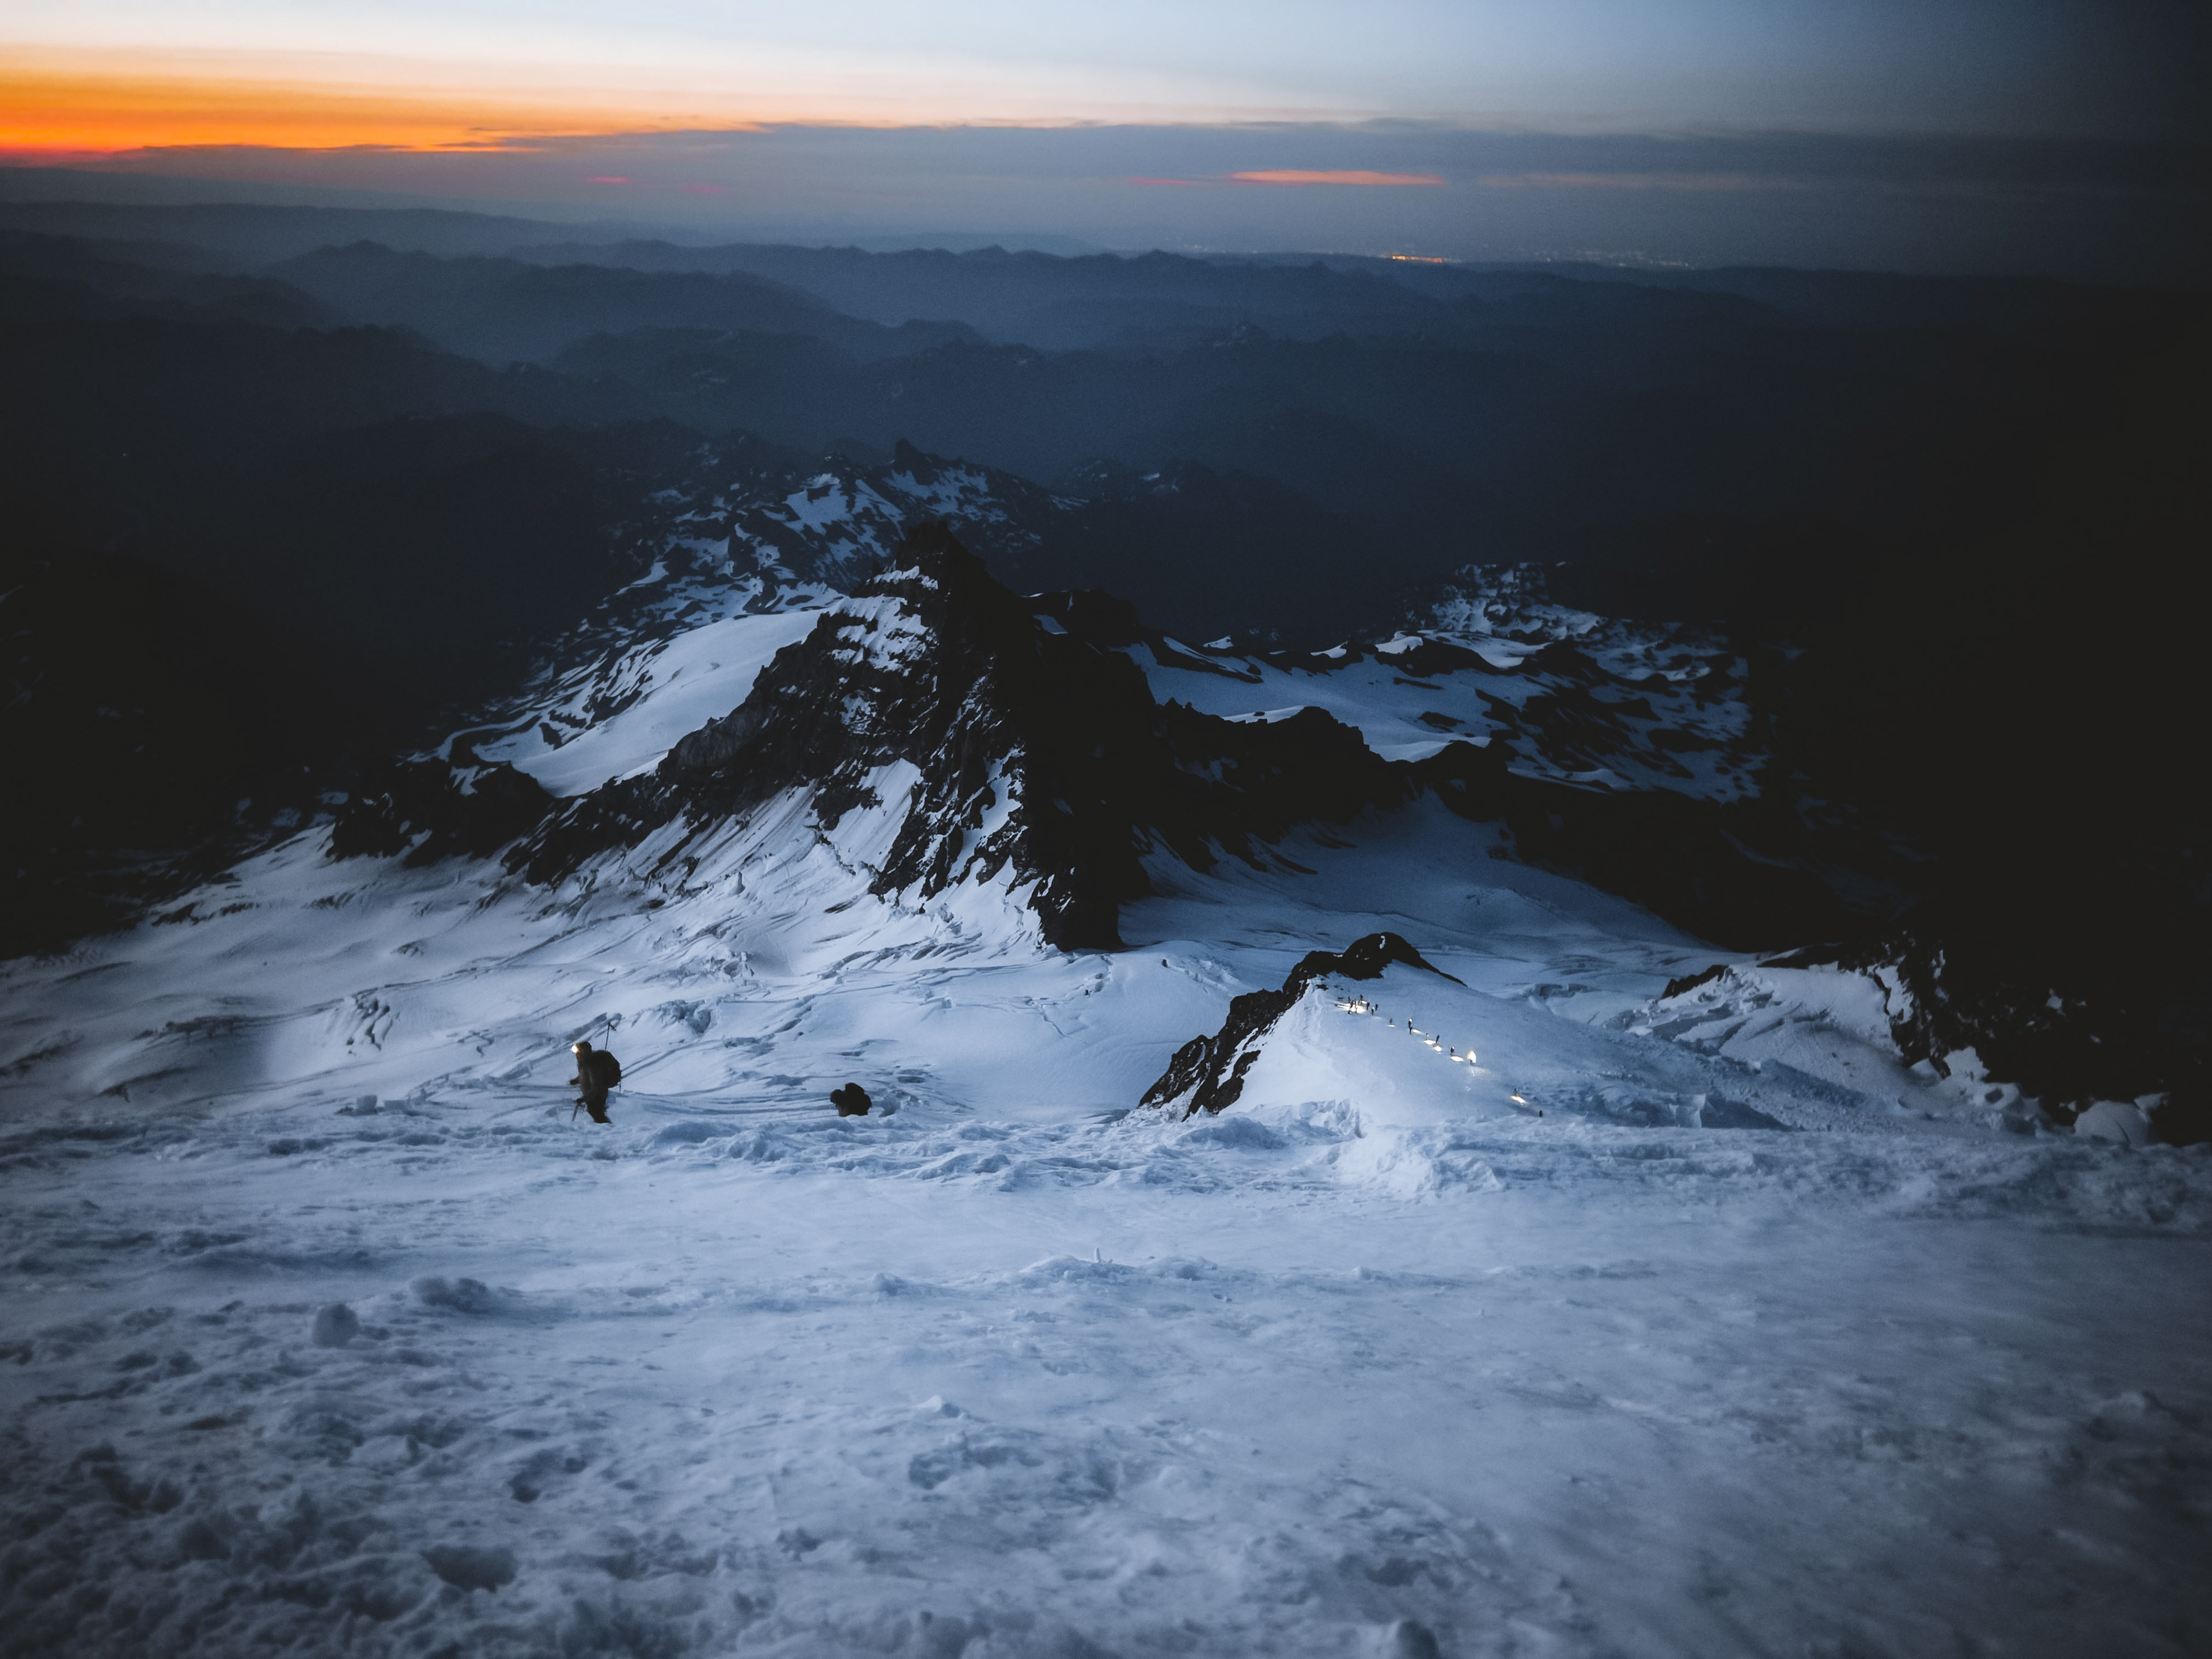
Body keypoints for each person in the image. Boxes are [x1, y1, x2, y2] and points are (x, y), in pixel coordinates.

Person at [571, 1040, 622, 1123]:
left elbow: (596, 1085)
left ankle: (608, 1129)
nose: (577, 1055)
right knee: (596, 1113)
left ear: (583, 1053)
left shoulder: (593, 1065)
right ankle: (607, 1128)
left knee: (597, 1113)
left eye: (578, 1053)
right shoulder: (585, 1063)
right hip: (596, 1093)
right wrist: (576, 1081)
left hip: (599, 1094)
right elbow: (585, 1076)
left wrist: (584, 1098)